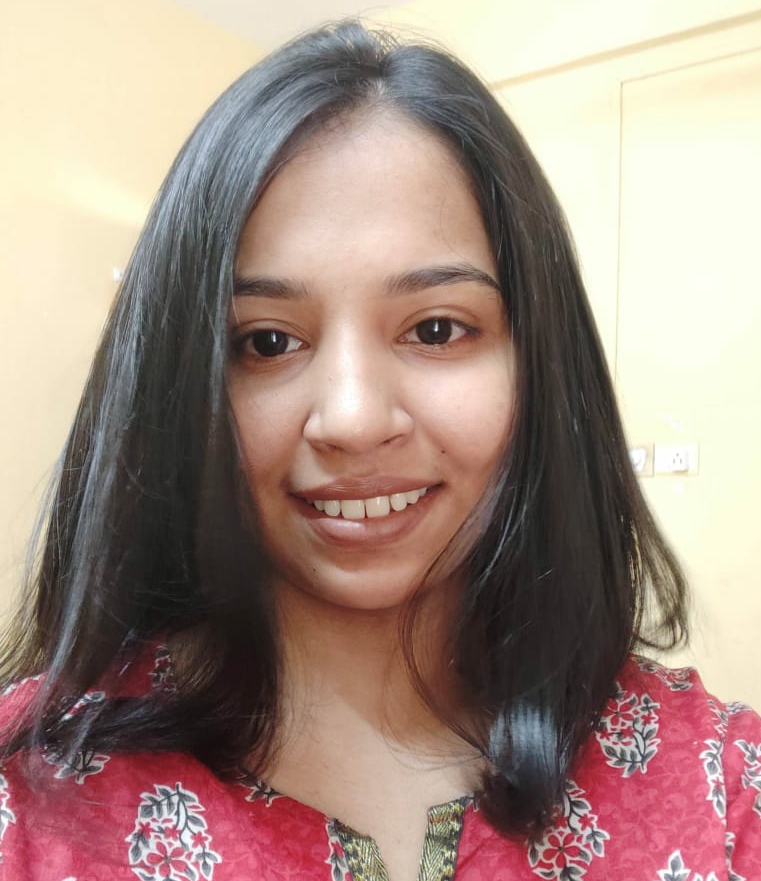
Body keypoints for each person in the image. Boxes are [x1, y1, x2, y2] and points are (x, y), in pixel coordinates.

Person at [0, 19, 758, 881]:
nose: (355, 420)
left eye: (436, 329)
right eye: (266, 342)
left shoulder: (717, 788)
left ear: (541, 364)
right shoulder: (31, 805)